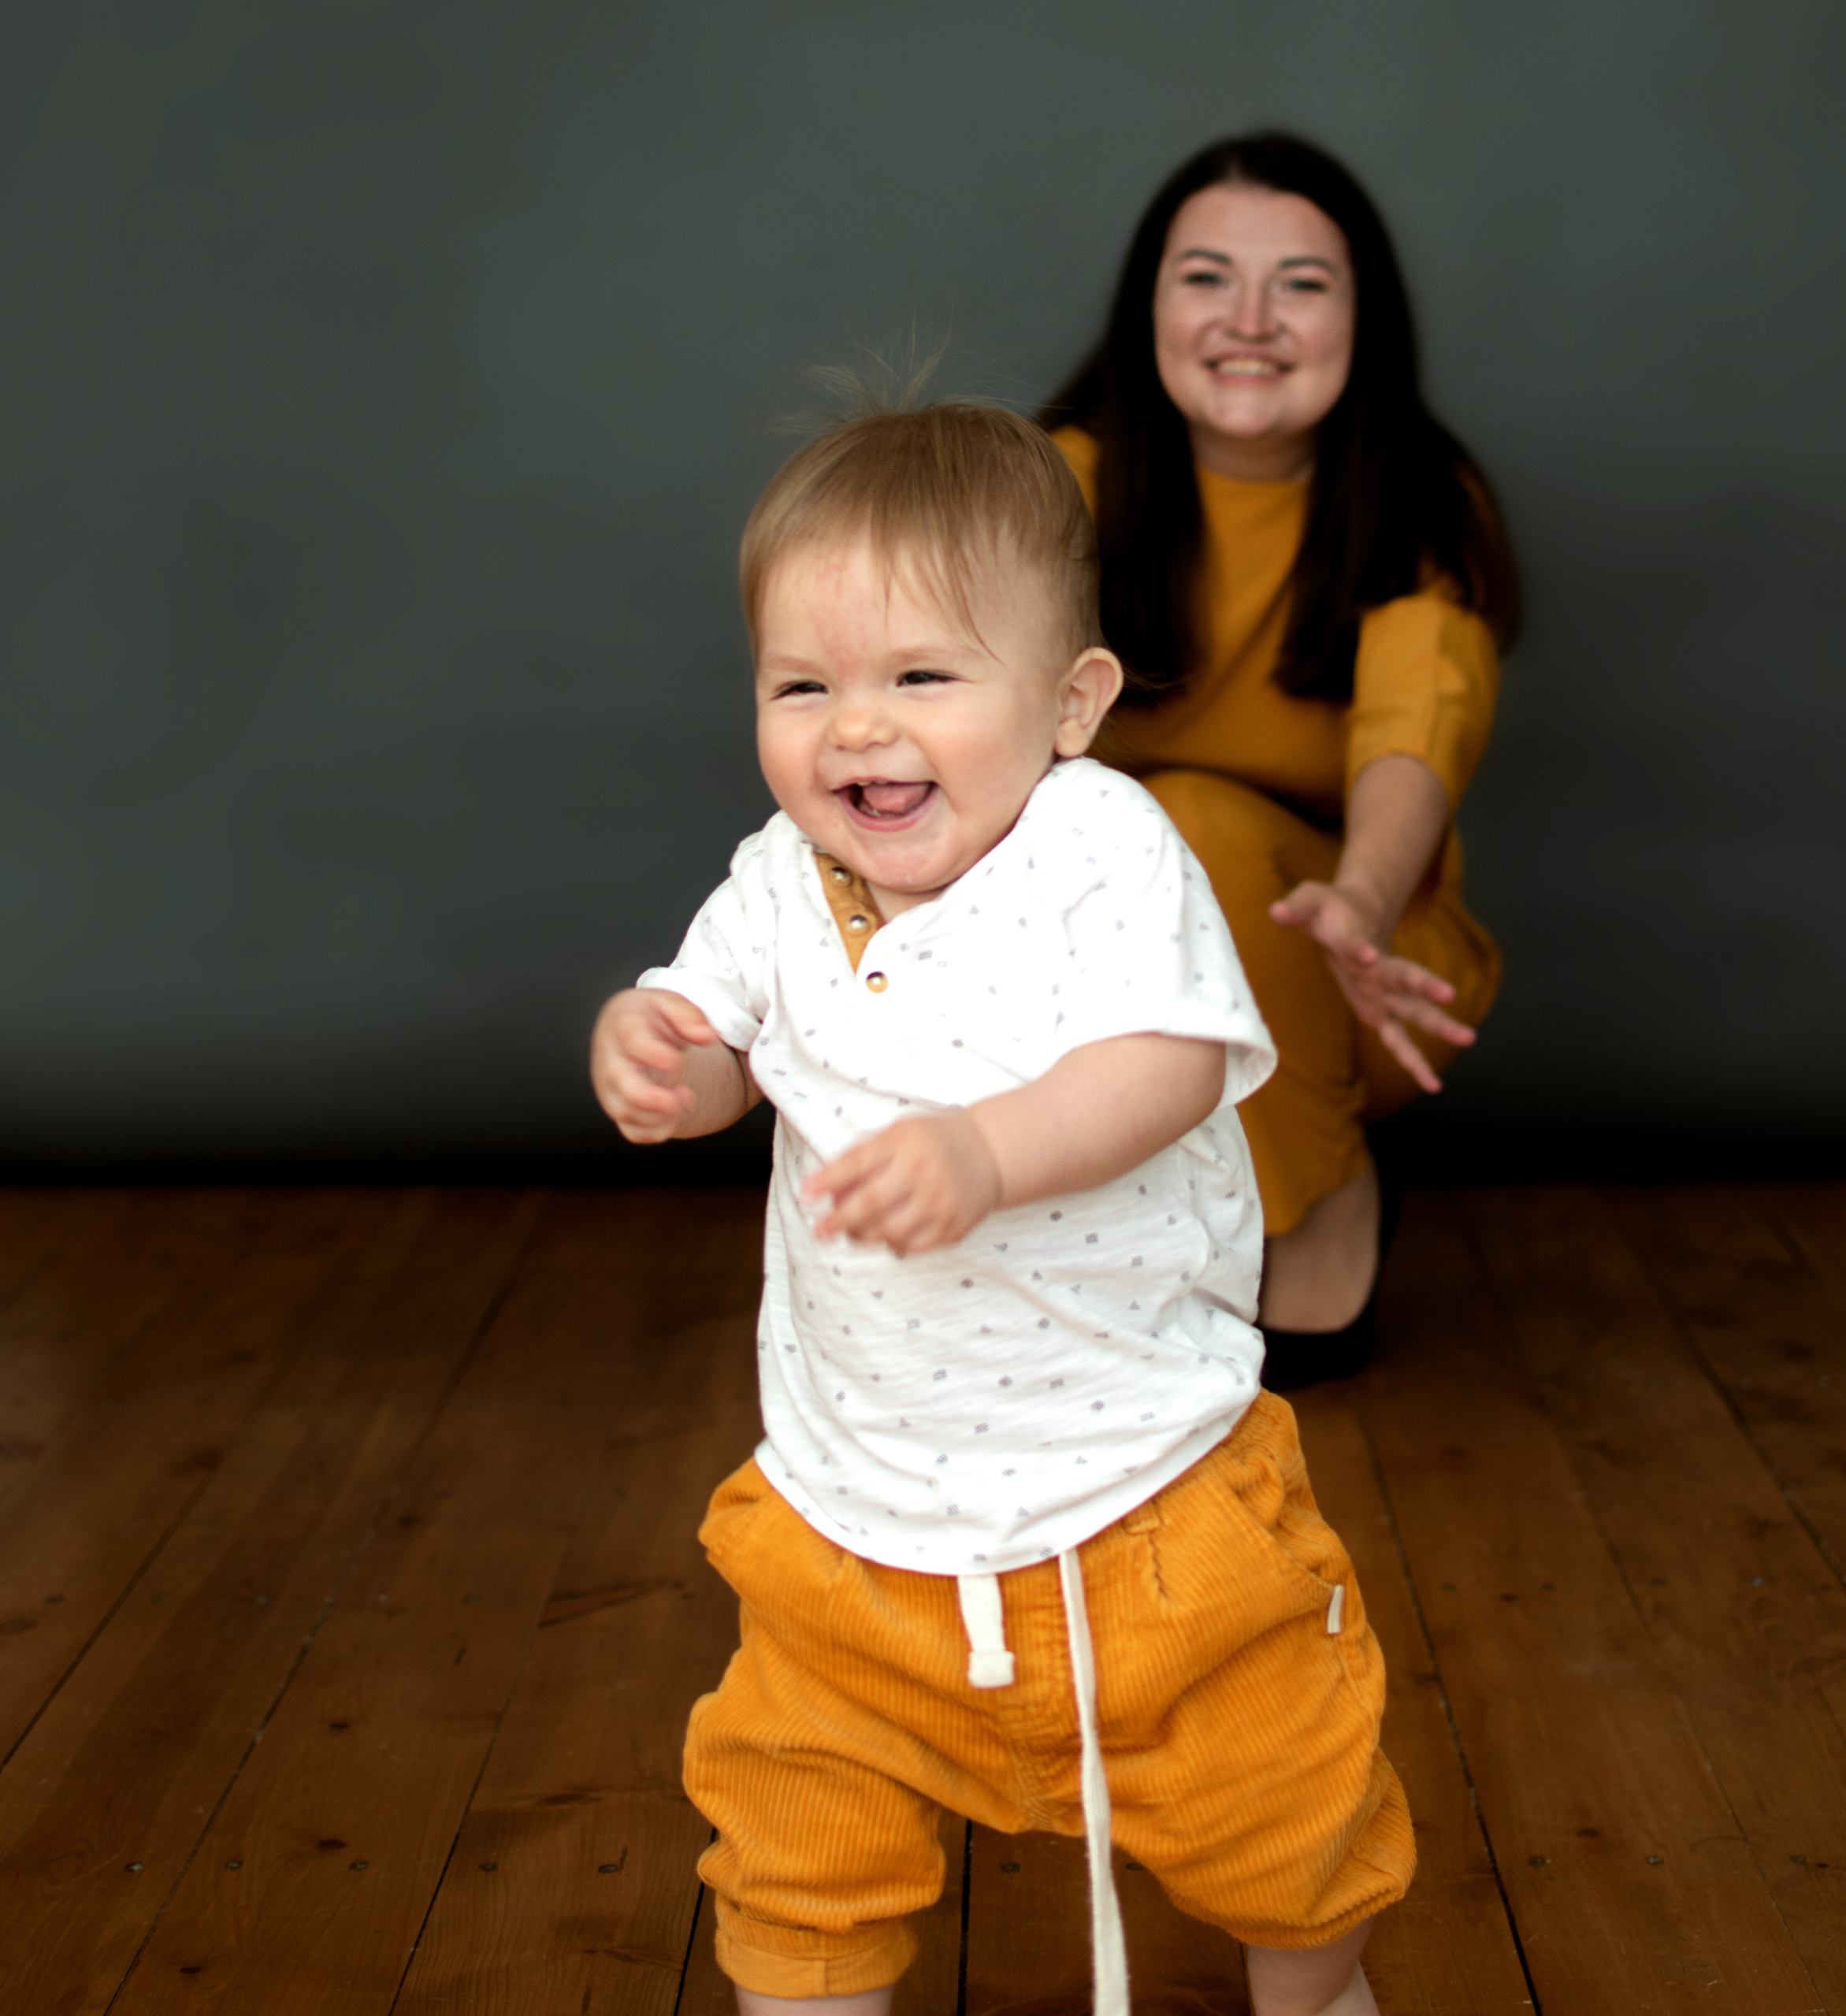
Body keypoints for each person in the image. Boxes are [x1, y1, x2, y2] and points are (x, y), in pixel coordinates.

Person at [589, 399, 1410, 2016]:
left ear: (1069, 699)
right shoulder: (779, 879)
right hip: (854, 1521)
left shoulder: (1102, 849)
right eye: (801, 685)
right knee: (791, 1849)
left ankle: (1315, 1993)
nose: (854, 730)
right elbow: (717, 1045)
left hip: (1145, 1504)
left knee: (1287, 1818)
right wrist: (659, 1061)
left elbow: (1168, 1063)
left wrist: (981, 1153)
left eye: (919, 677)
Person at [1046, 132, 1520, 1389]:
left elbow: (1416, 730)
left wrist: (1360, 905)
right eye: (1207, 277)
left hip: (1361, 968)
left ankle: (1319, 1207)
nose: (1250, 319)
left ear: (1365, 315)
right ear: (1149, 302)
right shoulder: (1057, 490)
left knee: (1192, 820)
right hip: (1091, 978)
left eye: (1302, 284)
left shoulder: (1419, 500)